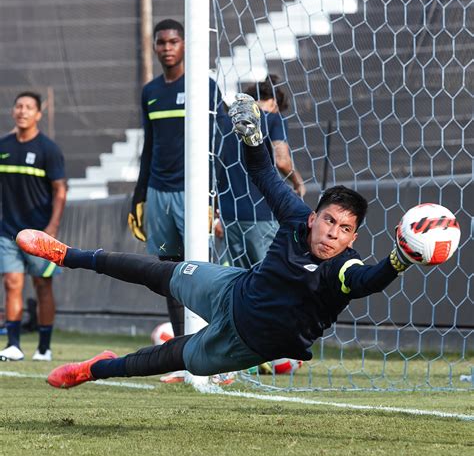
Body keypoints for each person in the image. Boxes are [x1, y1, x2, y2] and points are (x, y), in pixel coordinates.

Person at [16, 93, 412, 387]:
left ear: (353, 237)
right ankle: (69, 255)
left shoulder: (344, 267)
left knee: (167, 357)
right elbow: (264, 176)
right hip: (232, 289)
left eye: (344, 229)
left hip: (243, 342)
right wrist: (254, 139)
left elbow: (367, 281)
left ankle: (92, 370)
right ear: (314, 218)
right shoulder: (296, 218)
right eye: (329, 220)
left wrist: (400, 259)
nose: (332, 233)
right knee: (159, 272)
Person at [127, 19, 223, 360]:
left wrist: (217, 196)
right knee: (169, 272)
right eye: (161, 43)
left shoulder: (205, 87)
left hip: (194, 195)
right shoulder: (150, 92)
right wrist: (139, 196)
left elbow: (220, 145)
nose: (167, 48)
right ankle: (183, 353)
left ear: (185, 45)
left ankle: (217, 348)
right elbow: (148, 146)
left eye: (173, 41)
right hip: (158, 193)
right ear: (155, 47)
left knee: (202, 272)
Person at [0, 91, 67, 361]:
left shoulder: (48, 150)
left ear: (38, 114)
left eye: (29, 107)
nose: (23, 111)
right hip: (8, 232)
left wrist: (52, 226)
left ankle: (44, 348)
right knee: (12, 282)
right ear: (13, 111)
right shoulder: (3, 146)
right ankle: (14, 345)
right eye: (19, 106)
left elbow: (60, 190)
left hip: (40, 233)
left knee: (42, 285)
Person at [216, 75, 305, 269]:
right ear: (274, 102)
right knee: (268, 279)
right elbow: (282, 160)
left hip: (229, 216)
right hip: (261, 214)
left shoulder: (227, 123)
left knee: (237, 279)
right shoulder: (274, 118)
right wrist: (297, 182)